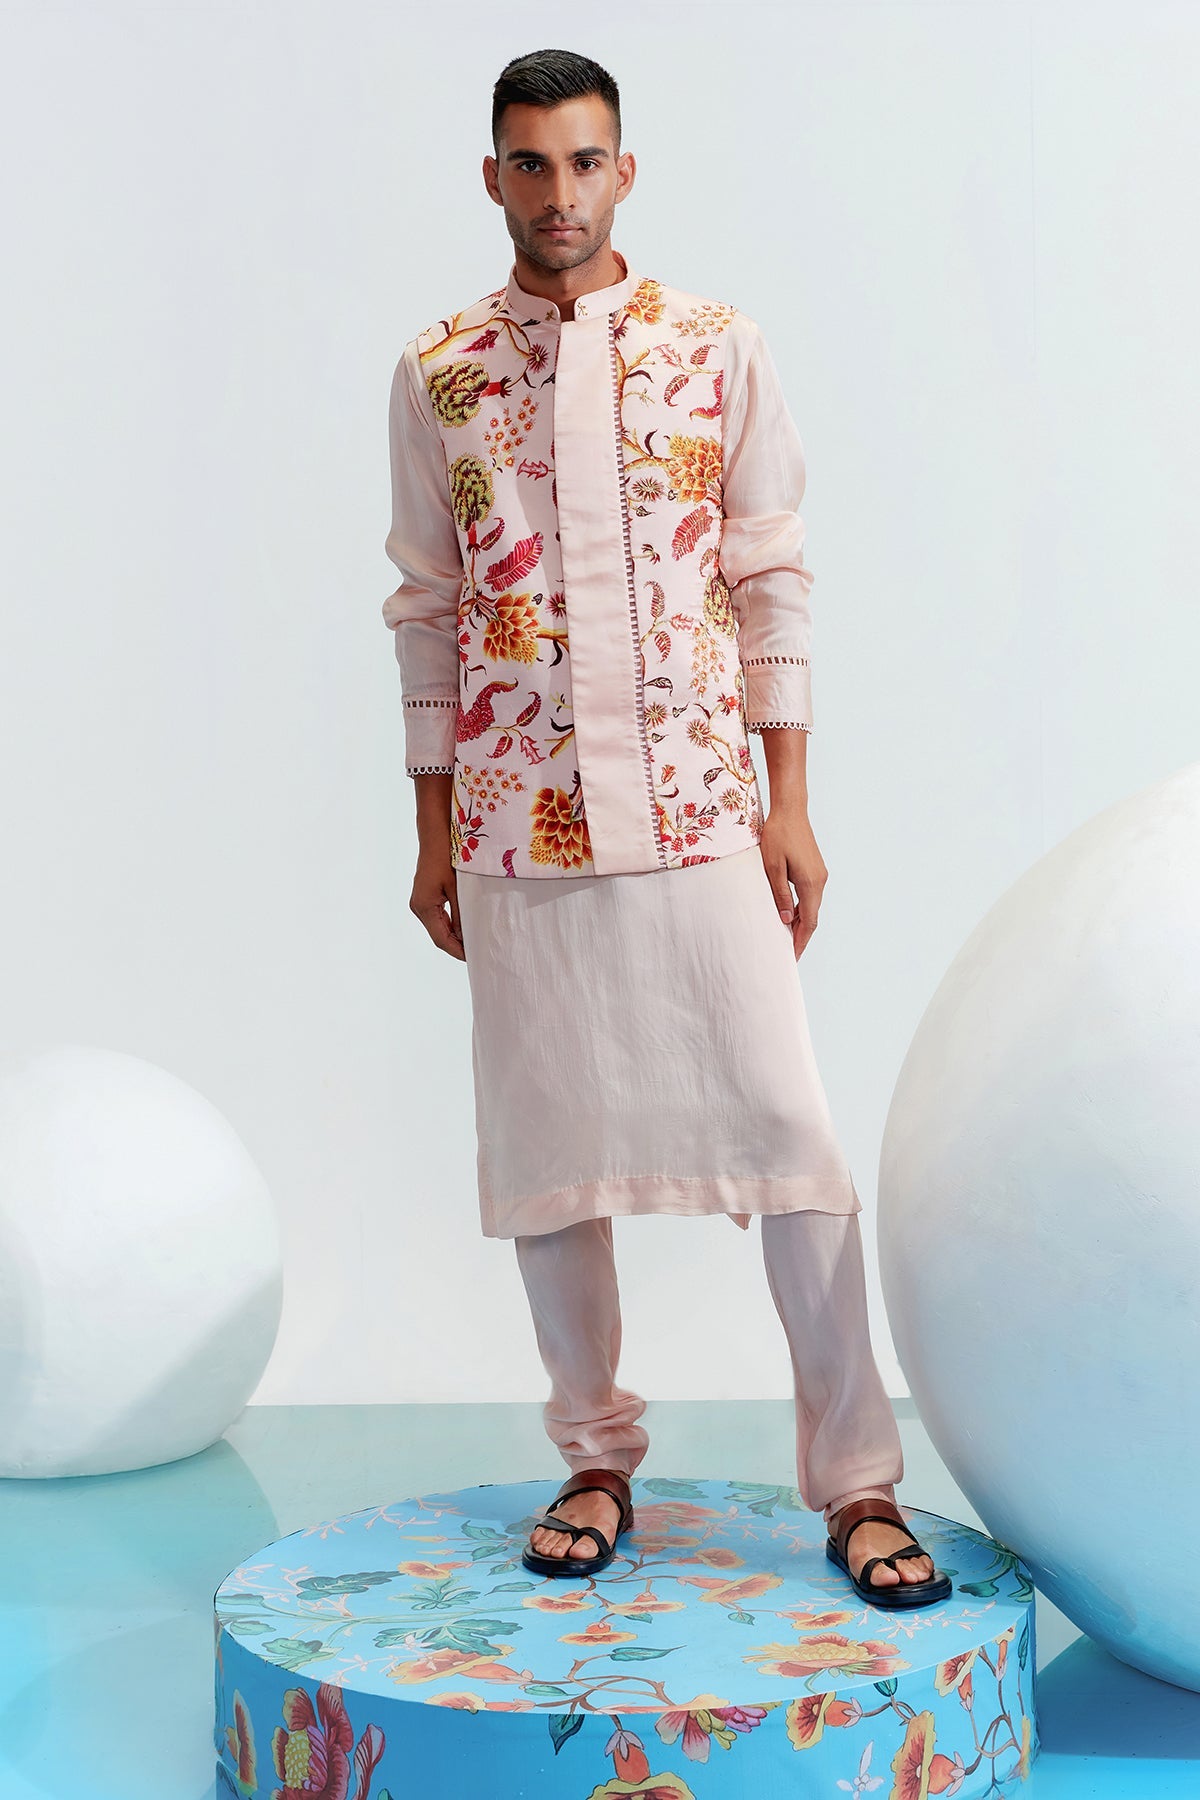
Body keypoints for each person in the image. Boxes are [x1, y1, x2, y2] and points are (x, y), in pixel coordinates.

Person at [382, 46, 949, 1608]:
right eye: (530, 163)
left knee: (789, 1141)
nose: (559, 193)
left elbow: (769, 571)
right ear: (492, 177)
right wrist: (430, 829)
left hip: (703, 808)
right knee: (553, 1161)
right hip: (516, 823)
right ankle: (593, 1457)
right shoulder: (439, 374)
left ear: (625, 171)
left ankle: (858, 1480)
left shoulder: (716, 349)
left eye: (585, 162)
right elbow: (426, 608)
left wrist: (790, 801)